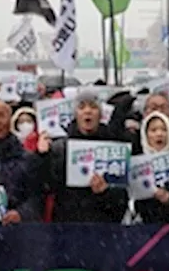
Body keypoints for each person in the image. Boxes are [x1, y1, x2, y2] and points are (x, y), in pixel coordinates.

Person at [42, 90, 129, 224]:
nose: (87, 111)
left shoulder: (114, 147)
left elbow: (122, 200)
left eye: (93, 107)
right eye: (82, 107)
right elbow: (47, 186)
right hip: (68, 226)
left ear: (100, 114)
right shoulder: (60, 147)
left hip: (104, 227)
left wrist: (105, 192)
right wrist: (43, 155)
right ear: (75, 114)